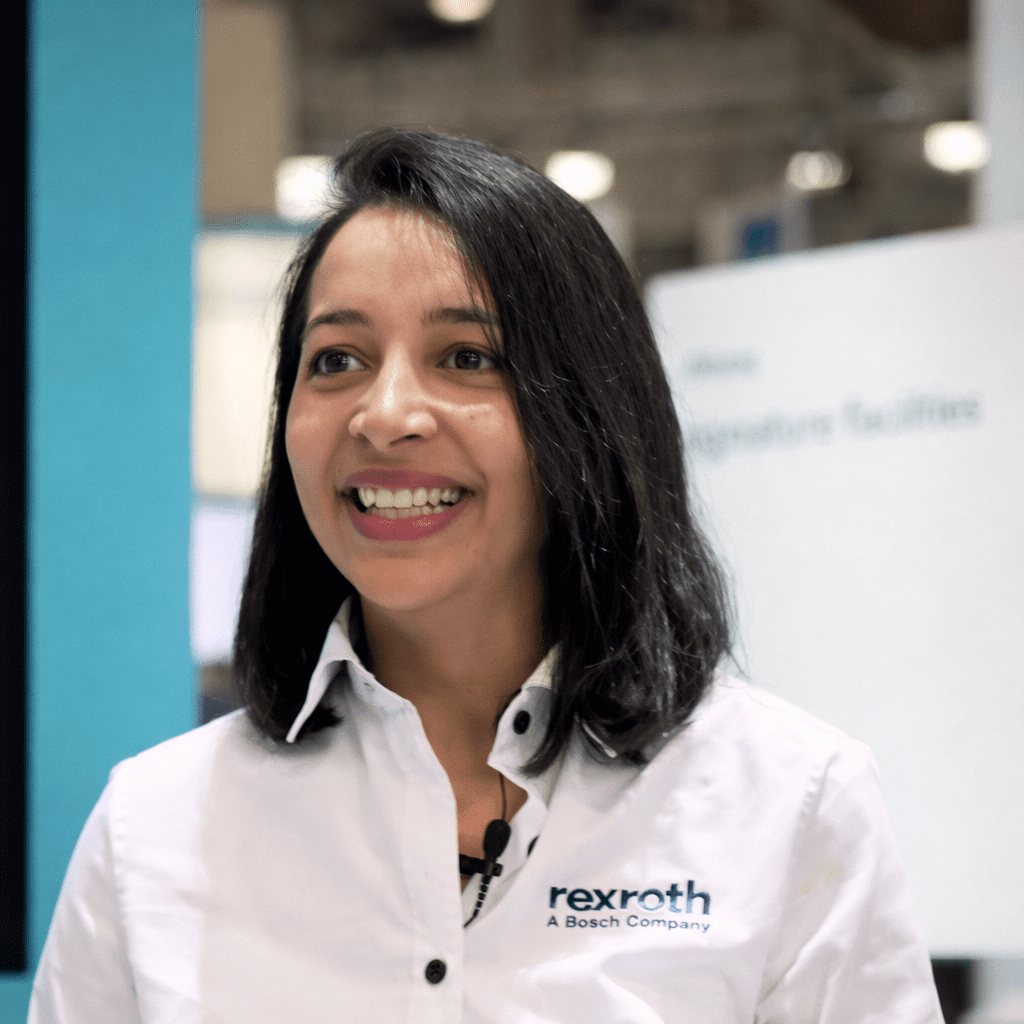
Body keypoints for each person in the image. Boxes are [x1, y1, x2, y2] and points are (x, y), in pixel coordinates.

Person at [29, 129, 943, 1023]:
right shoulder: (149, 829)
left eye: (467, 357)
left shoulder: (790, 802)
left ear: (588, 412)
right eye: (336, 360)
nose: (384, 415)